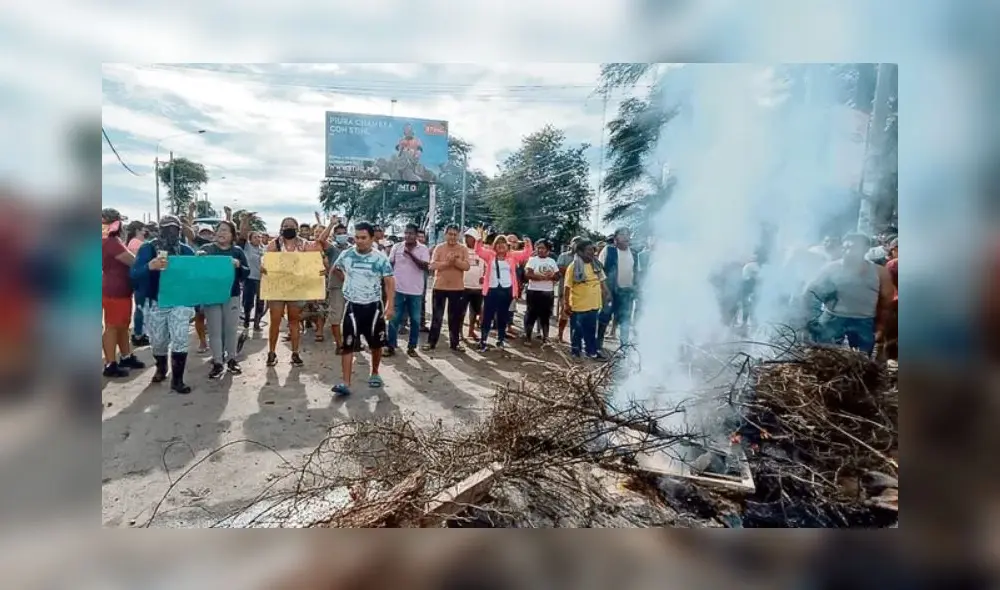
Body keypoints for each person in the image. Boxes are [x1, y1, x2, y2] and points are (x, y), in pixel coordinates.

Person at [131, 215, 196, 393]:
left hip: (179, 301)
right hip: (155, 302)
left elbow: (195, 276)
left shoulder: (186, 251)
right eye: (166, 228)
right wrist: (149, 267)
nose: (170, 232)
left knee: (180, 339)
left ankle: (177, 380)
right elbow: (134, 274)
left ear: (179, 230)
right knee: (158, 341)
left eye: (174, 228)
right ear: (159, 230)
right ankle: (161, 367)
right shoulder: (147, 249)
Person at [803, 233, 895, 357]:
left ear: (865, 249)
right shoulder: (830, 268)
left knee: (861, 360)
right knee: (825, 356)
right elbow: (810, 292)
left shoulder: (879, 272)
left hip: (864, 322)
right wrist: (811, 320)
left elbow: (886, 303)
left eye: (852, 248)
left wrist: (880, 327)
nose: (847, 251)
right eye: (845, 247)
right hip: (832, 319)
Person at [331, 222, 395, 397]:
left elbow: (389, 281)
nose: (359, 241)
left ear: (372, 238)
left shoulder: (380, 258)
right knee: (348, 344)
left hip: (373, 307)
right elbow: (335, 268)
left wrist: (390, 305)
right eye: (357, 237)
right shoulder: (346, 255)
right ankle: (345, 382)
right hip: (352, 306)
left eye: (363, 238)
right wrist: (347, 281)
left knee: (376, 344)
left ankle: (374, 373)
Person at [263, 217, 326, 368]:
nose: (288, 228)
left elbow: (316, 257)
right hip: (277, 287)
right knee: (275, 320)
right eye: (285, 226)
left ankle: (295, 353)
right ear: (281, 227)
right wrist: (264, 267)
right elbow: (266, 262)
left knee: (294, 321)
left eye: (291, 226)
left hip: (297, 288)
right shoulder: (274, 244)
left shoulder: (305, 245)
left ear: (297, 228)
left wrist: (319, 268)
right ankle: (271, 353)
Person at [198, 220, 250, 379]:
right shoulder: (206, 250)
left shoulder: (237, 251)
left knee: (231, 329)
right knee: (214, 330)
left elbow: (246, 273)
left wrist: (239, 265)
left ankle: (232, 359)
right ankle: (217, 361)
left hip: (232, 295)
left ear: (232, 235)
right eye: (219, 230)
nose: (221, 233)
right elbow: (197, 271)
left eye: (226, 230)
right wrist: (198, 259)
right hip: (211, 296)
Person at [102, 208, 144, 377]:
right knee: (113, 327)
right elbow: (132, 261)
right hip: (116, 290)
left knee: (122, 326)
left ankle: (125, 356)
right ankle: (110, 363)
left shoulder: (106, 240)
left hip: (116, 288)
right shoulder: (111, 242)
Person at [474, 233, 532, 352]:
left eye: (503, 244)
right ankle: (483, 340)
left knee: (502, 316)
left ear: (507, 246)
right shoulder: (490, 255)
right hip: (491, 289)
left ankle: (500, 339)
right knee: (487, 316)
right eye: (498, 244)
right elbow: (478, 251)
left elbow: (526, 254)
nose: (501, 246)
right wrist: (479, 241)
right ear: (494, 246)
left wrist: (528, 243)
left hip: (506, 290)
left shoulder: (512, 256)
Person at [386, 223, 430, 357]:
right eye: (406, 233)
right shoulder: (396, 247)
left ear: (416, 235)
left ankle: (412, 347)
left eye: (410, 233)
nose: (407, 236)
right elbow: (390, 264)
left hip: (415, 291)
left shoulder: (422, 249)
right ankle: (391, 346)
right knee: (394, 318)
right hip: (398, 289)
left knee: (415, 320)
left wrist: (410, 255)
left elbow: (424, 266)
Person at [426, 224, 470, 352]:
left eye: (455, 234)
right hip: (439, 287)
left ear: (459, 235)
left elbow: (466, 266)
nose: (452, 237)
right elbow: (432, 266)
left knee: (454, 317)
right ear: (445, 235)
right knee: (437, 317)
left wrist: (455, 262)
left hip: (457, 288)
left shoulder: (463, 249)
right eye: (450, 234)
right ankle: (431, 342)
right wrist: (447, 262)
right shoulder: (439, 248)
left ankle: (455, 343)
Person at [563, 239, 610, 360]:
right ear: (580, 252)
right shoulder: (573, 267)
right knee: (577, 330)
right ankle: (575, 352)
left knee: (591, 330)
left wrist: (607, 294)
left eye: (593, 250)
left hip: (594, 304)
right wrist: (566, 304)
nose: (592, 252)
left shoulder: (596, 264)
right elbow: (567, 287)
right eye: (589, 250)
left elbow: (602, 282)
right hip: (579, 305)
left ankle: (591, 352)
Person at [597, 227, 640, 350]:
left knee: (625, 321)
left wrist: (636, 288)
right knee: (604, 317)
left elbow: (635, 272)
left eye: (628, 234)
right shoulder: (608, 250)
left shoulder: (634, 253)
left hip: (627, 293)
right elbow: (600, 272)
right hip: (610, 292)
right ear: (615, 238)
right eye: (622, 234)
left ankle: (624, 348)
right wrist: (605, 291)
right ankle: (598, 346)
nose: (626, 237)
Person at [523, 238, 559, 345]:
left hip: (548, 292)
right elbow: (528, 274)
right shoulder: (532, 260)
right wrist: (541, 277)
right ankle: (528, 337)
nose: (540, 250)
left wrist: (552, 276)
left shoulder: (551, 261)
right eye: (538, 248)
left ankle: (545, 338)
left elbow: (557, 276)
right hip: (533, 291)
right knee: (531, 315)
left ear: (548, 250)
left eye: (543, 248)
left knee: (545, 316)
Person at [325, 223, 352, 353]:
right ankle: (339, 344)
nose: (342, 235)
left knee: (352, 316)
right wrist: (331, 223)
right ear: (334, 235)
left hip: (353, 287)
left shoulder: (353, 248)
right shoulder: (332, 248)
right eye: (339, 233)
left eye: (344, 232)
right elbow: (320, 240)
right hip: (337, 286)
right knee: (336, 316)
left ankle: (351, 342)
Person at [237, 217, 266, 332]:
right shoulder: (247, 247)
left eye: (259, 237)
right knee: (248, 302)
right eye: (255, 237)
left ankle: (257, 323)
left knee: (260, 302)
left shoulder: (264, 248)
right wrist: (245, 221)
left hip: (262, 280)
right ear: (250, 239)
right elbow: (243, 234)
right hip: (250, 278)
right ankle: (247, 320)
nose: (258, 239)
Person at [125, 220, 151, 347]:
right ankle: (138, 334)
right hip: (141, 280)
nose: (145, 231)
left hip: (141, 279)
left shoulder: (136, 243)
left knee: (142, 307)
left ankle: (140, 332)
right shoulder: (136, 244)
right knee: (141, 307)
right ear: (137, 230)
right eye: (143, 229)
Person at [461, 228, 485, 340]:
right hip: (463, 286)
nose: (468, 240)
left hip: (478, 287)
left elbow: (487, 267)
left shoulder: (482, 252)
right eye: (466, 237)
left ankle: (471, 331)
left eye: (470, 238)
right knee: (461, 311)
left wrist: (484, 277)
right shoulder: (461, 250)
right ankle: (459, 333)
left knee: (474, 311)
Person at [555, 237, 580, 342]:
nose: (577, 245)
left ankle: (574, 340)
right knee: (564, 313)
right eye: (575, 243)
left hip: (579, 291)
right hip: (564, 289)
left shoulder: (584, 258)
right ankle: (559, 335)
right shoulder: (563, 256)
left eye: (579, 243)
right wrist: (576, 272)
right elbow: (560, 269)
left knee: (577, 316)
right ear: (571, 244)